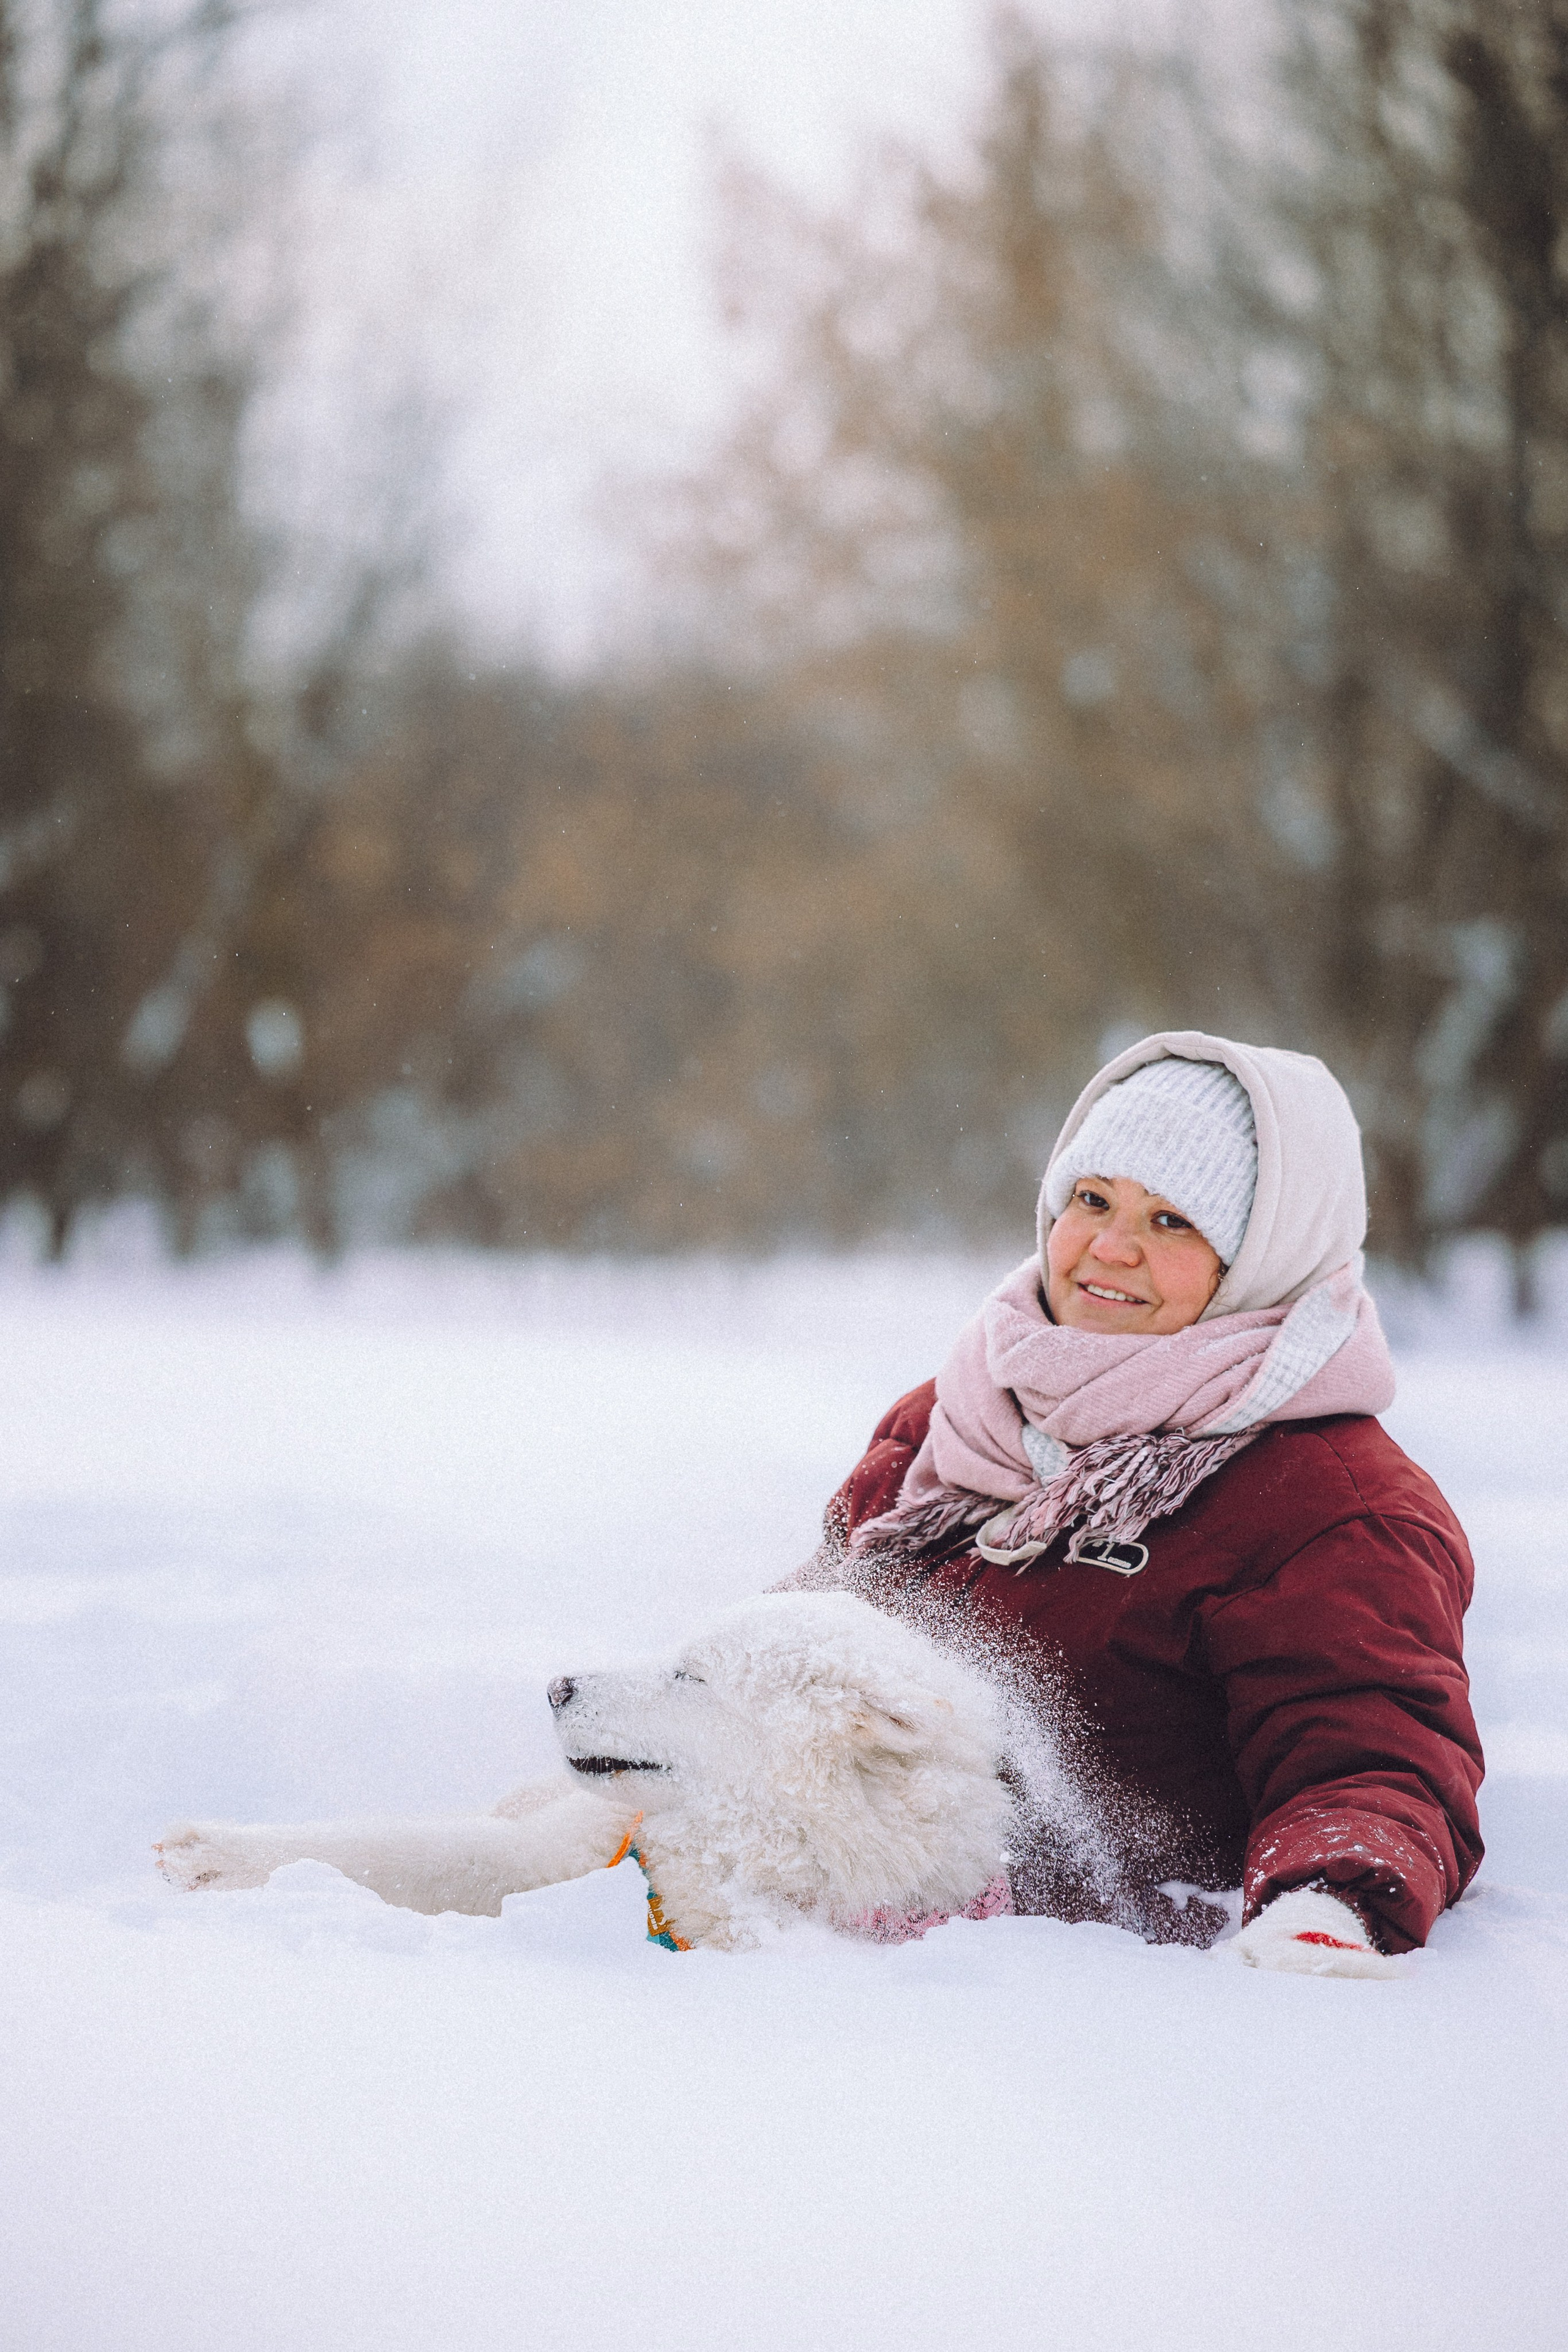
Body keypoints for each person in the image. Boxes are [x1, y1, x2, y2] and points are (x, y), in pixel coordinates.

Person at [796, 1030, 1483, 1977]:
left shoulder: (1329, 1505)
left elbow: (1368, 1757)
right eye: (1092, 1200)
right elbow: (792, 1648)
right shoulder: (952, 1418)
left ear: (1263, 1257)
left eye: (1172, 1222)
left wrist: (1322, 1910)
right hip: (817, 1947)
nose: (1109, 1249)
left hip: (1065, 2003)